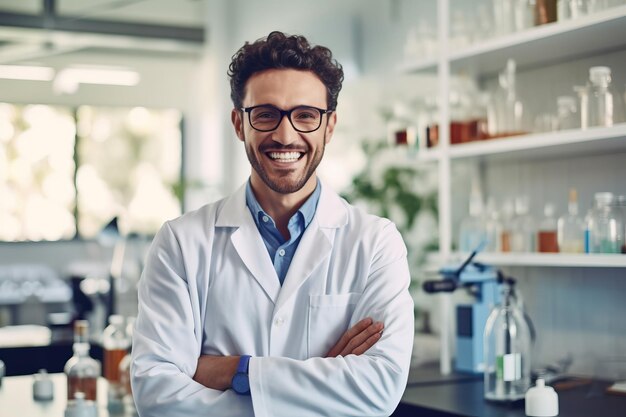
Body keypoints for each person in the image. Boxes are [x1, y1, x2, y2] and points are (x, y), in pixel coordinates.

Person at [131, 31, 414, 417]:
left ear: (329, 127)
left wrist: (237, 370)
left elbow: (378, 390)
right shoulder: (181, 242)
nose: (285, 134)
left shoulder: (375, 242)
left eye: (306, 115)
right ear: (238, 123)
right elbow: (156, 395)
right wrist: (325, 380)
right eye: (265, 114)